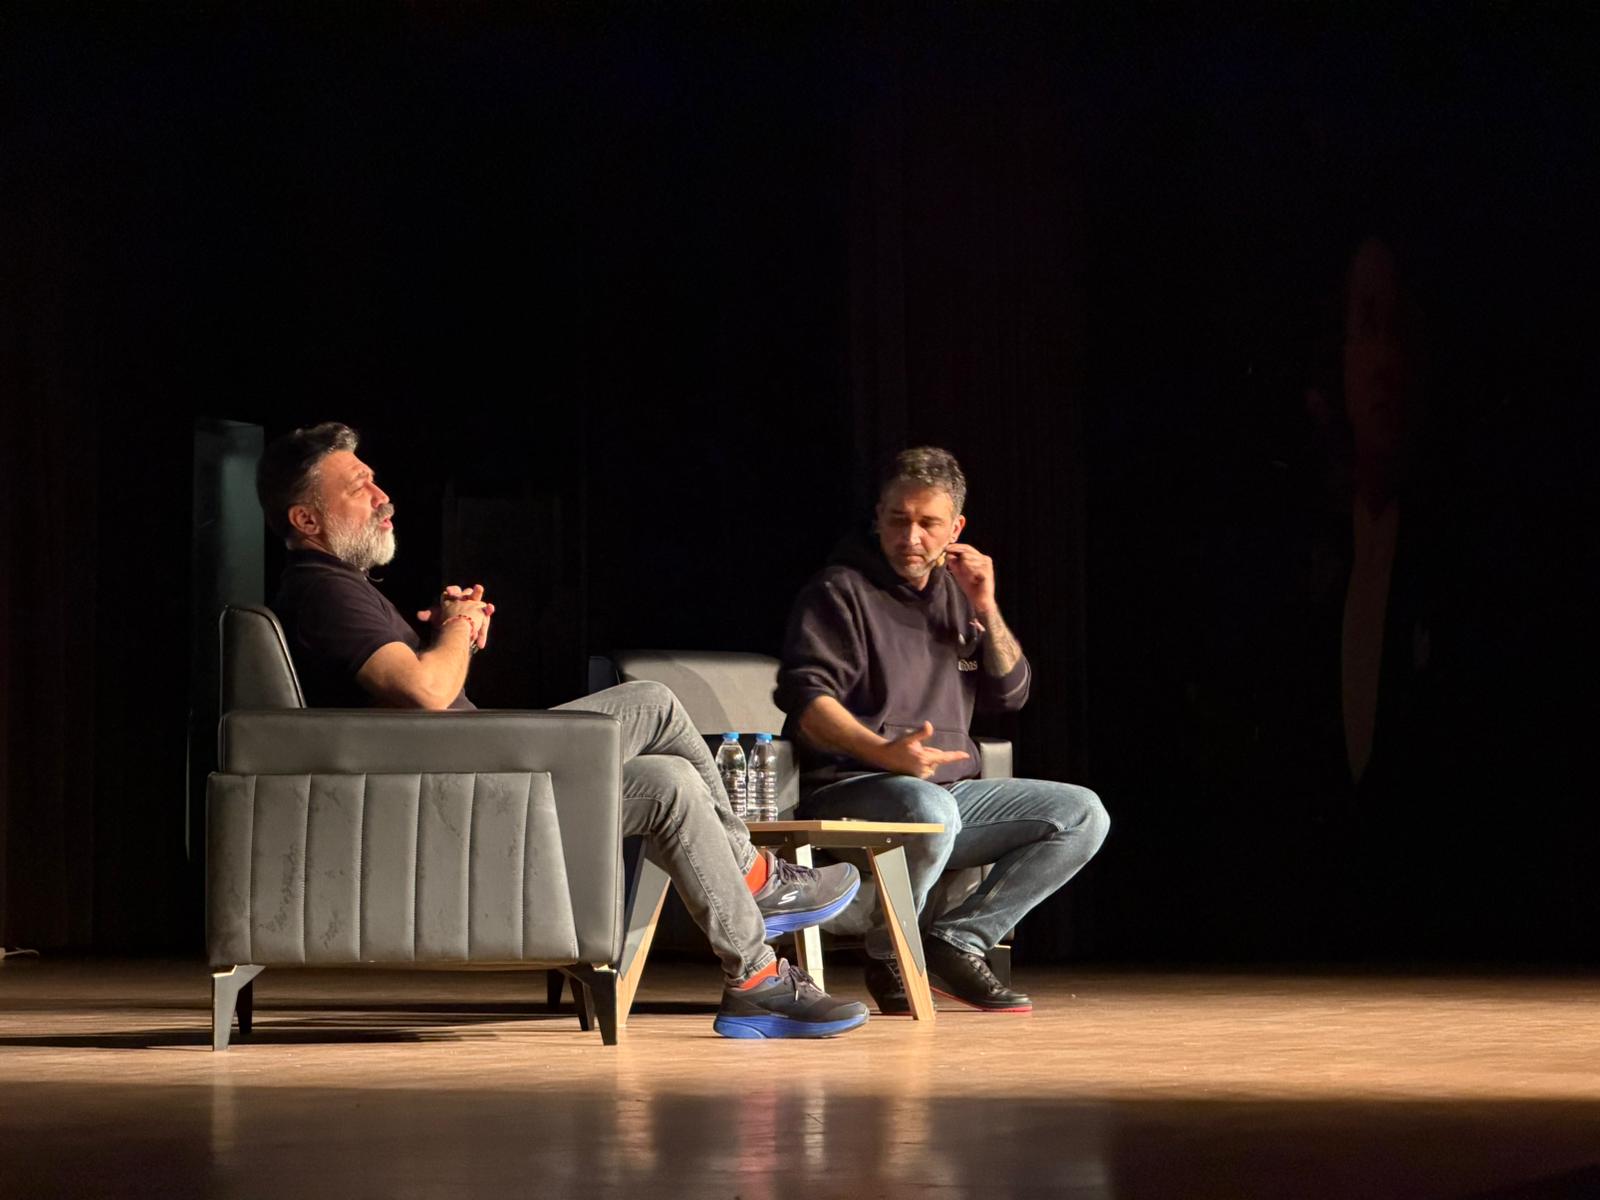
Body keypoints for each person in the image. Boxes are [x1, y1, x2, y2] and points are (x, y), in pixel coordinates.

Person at [254, 422, 867, 1039]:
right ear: (306, 520)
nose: (382, 496)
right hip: (469, 790)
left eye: (375, 481)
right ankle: (754, 876)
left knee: (670, 783)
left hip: (470, 780)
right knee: (652, 701)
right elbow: (427, 691)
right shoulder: (324, 592)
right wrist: (458, 627)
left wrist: (450, 634)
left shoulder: (339, 590)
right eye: (358, 487)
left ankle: (756, 980)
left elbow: (415, 693)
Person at [775, 447, 1109, 1014]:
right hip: (853, 789)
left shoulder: (958, 597)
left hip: (948, 793)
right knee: (930, 809)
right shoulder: (840, 591)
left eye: (928, 523)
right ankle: (890, 955)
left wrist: (987, 606)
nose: (911, 538)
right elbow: (808, 703)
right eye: (898, 520)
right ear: (878, 517)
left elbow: (1011, 694)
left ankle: (958, 941)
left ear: (955, 529)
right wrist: (884, 751)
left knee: (1083, 814)